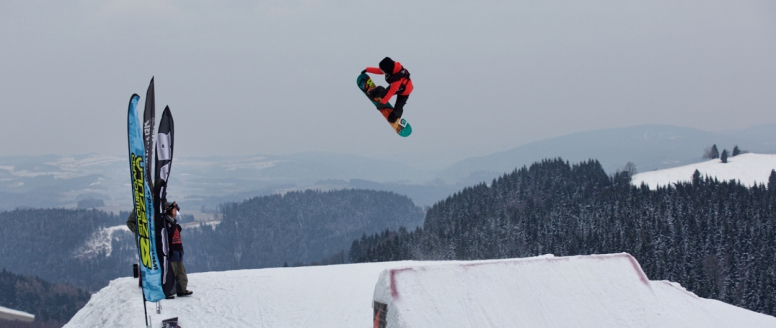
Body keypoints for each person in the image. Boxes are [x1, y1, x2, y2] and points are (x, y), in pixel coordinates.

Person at [361, 57, 413, 123]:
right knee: (383, 94)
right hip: (397, 87)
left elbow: (391, 92)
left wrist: (383, 103)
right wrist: (367, 69)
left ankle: (396, 116)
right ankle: (375, 92)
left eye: (383, 71)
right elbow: (379, 71)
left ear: (387, 70)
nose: (382, 72)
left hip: (405, 93)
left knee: (397, 110)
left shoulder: (397, 79)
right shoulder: (391, 70)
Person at [162, 201, 193, 297]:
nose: (176, 211)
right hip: (170, 253)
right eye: (175, 209)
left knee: (181, 273)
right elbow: (164, 239)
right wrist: (167, 252)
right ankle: (168, 292)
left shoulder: (174, 222)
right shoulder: (165, 223)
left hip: (178, 251)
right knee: (170, 274)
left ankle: (181, 290)